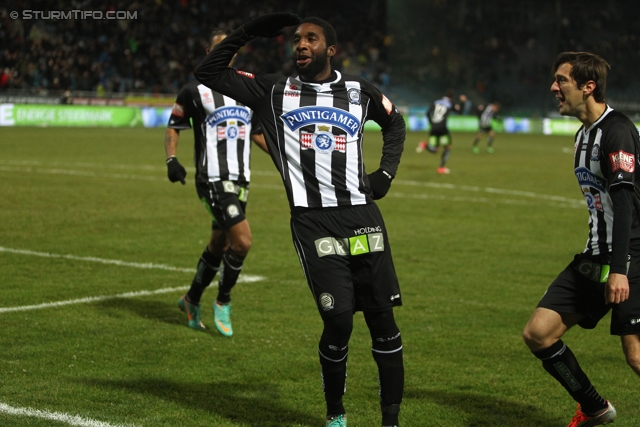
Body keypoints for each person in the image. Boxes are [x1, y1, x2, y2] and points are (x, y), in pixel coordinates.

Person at [194, 13, 405, 427]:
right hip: (314, 224)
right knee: (339, 320)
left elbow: (394, 123)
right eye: (296, 39)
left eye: (311, 39)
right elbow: (208, 71)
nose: (301, 45)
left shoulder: (359, 91)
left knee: (383, 321)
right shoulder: (273, 89)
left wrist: (385, 174)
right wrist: (248, 32)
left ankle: (391, 421)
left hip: (364, 219)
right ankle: (336, 415)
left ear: (331, 49)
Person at [522, 52, 640, 427]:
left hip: (630, 256)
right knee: (539, 333)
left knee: (636, 354)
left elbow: (625, 205)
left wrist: (620, 269)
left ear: (588, 87)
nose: (554, 88)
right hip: (595, 256)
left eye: (562, 81)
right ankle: (595, 408)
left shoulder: (617, 131)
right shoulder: (582, 134)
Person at [164, 29, 267, 337]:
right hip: (212, 178)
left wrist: (287, 157)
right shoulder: (194, 90)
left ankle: (191, 298)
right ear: (209, 51)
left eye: (230, 48)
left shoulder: (247, 86)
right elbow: (174, 125)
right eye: (218, 48)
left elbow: (258, 132)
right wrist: (171, 159)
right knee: (242, 241)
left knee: (219, 244)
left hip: (242, 179)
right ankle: (223, 300)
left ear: (235, 53)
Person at [415, 89, 461, 174]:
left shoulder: (436, 102)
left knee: (435, 150)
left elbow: (428, 113)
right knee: (447, 147)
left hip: (434, 127)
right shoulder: (450, 103)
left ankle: (425, 145)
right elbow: (459, 112)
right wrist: (462, 103)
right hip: (442, 127)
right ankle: (441, 167)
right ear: (452, 97)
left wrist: (431, 123)